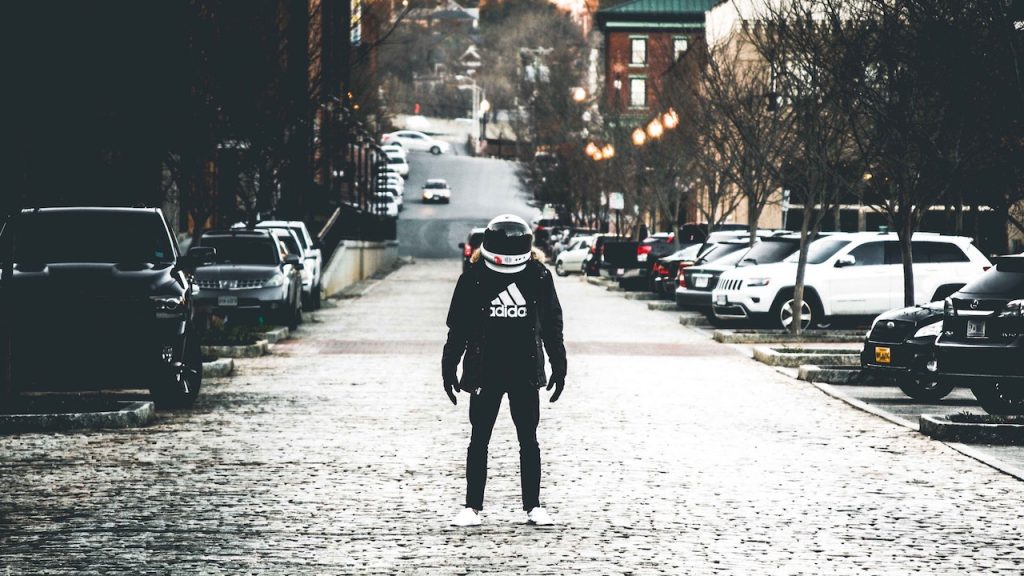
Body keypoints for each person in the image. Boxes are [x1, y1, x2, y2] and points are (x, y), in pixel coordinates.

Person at [442, 214, 567, 527]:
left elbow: (552, 324)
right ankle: (472, 507)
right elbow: (457, 328)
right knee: (479, 438)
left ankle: (533, 506)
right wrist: (449, 366)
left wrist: (559, 364)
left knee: (529, 439)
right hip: (486, 370)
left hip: (524, 369)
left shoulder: (538, 276)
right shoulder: (473, 278)